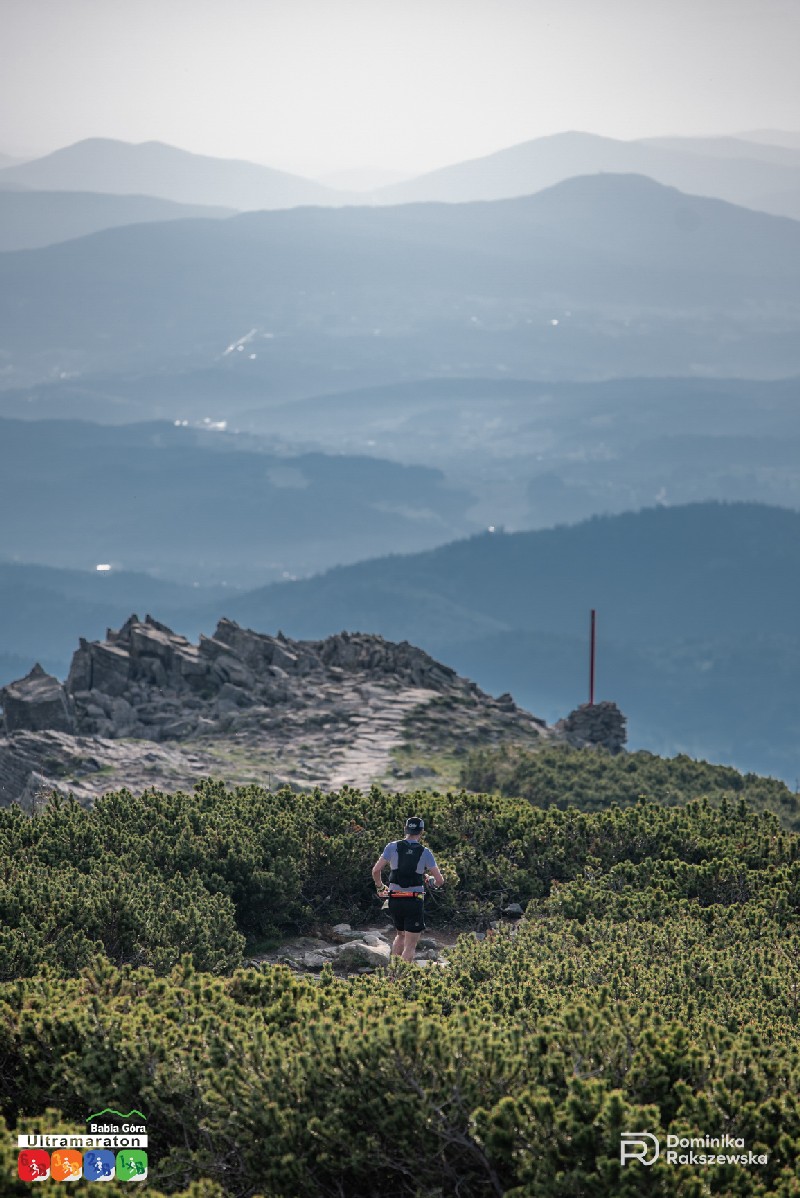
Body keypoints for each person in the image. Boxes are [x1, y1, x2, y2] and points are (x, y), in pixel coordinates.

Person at [371, 816, 444, 963]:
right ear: (421, 832)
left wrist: (380, 887)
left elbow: (376, 870)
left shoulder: (392, 846)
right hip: (413, 901)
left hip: (394, 899)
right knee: (410, 946)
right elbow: (440, 880)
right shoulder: (425, 852)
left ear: (406, 829)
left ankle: (393, 972)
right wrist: (431, 882)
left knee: (400, 935)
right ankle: (402, 974)